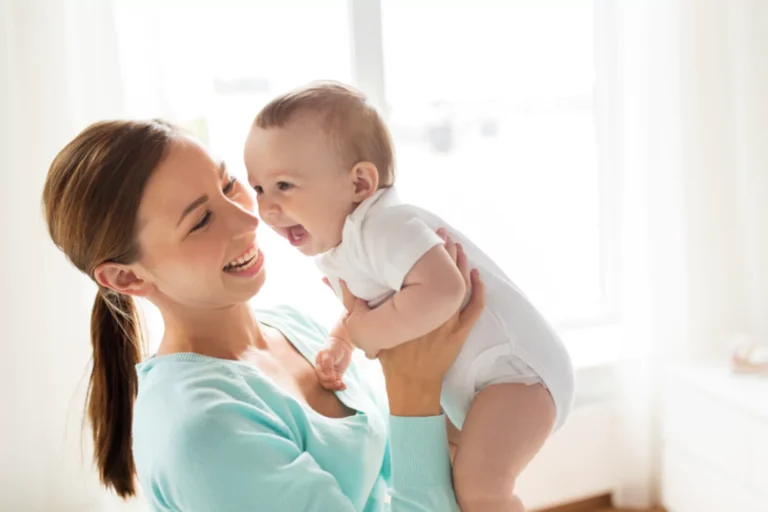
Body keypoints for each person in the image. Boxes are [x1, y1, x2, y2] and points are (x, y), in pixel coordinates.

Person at [41, 119, 486, 511]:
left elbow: (398, 476)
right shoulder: (204, 433)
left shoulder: (291, 327)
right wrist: (414, 386)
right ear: (125, 277)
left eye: (229, 184)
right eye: (200, 221)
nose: (248, 220)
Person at [244, 81, 576, 511]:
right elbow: (374, 307)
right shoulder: (345, 246)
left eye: (284, 186)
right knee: (447, 476)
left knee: (480, 488)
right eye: (258, 189)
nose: (267, 208)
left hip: (518, 376)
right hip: (481, 382)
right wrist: (342, 340)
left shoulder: (386, 226)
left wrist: (367, 332)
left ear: (360, 183)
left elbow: (442, 290)